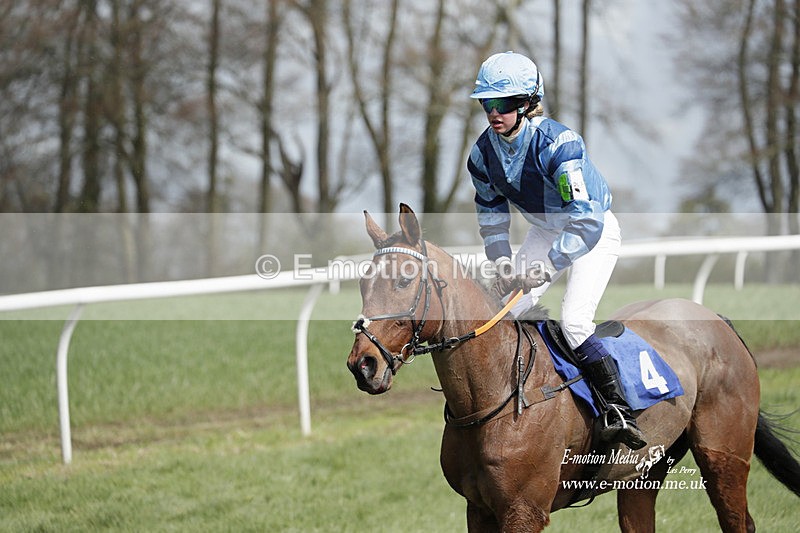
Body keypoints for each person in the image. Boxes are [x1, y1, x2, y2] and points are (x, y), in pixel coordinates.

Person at [467, 51, 646, 450]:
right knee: (505, 314)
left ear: (528, 102)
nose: (493, 113)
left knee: (575, 322)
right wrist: (501, 263)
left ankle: (619, 410)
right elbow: (491, 216)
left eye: (503, 103)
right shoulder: (482, 156)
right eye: (486, 104)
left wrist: (546, 267)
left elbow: (585, 219)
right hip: (547, 231)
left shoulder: (558, 144)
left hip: (593, 231)